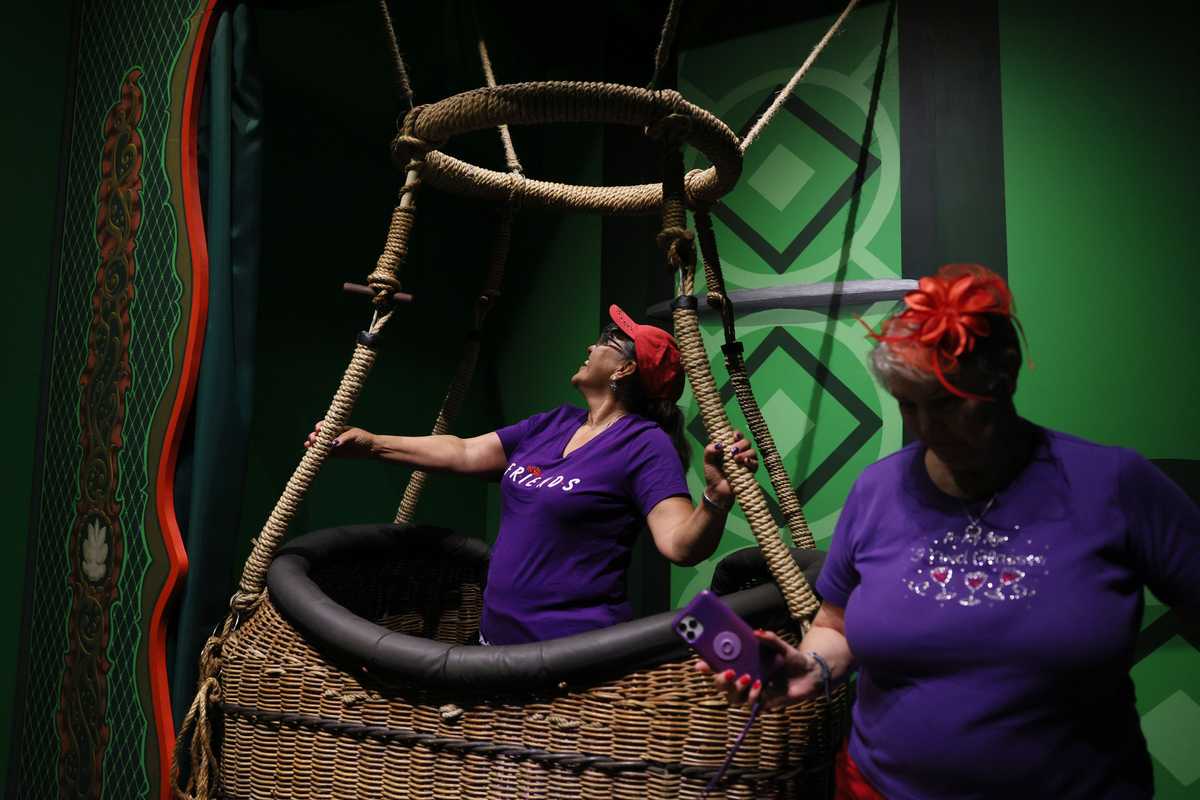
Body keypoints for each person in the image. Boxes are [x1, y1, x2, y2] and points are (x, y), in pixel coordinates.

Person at [699, 264, 1200, 799]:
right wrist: (810, 665)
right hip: (879, 788)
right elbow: (838, 626)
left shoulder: (1115, 485)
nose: (926, 429)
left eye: (946, 403)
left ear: (1003, 374)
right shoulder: (876, 491)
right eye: (906, 405)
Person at [306, 304, 758, 645]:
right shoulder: (554, 422)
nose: (591, 345)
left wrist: (715, 498)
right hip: (495, 643)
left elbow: (679, 544)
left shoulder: (644, 444)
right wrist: (372, 444)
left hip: (569, 653)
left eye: (606, 339)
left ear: (624, 368)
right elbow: (463, 451)